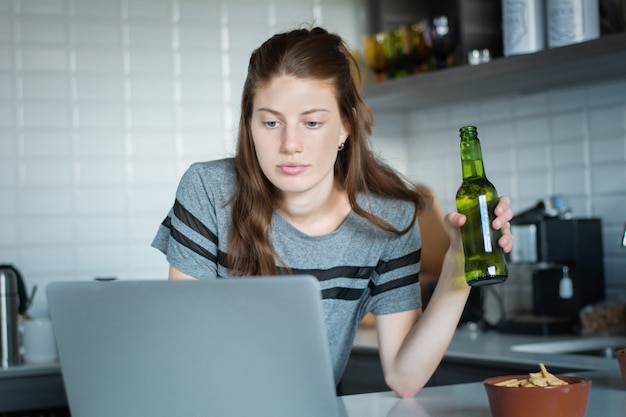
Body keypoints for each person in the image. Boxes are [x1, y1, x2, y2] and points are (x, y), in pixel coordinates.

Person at [152, 27, 513, 399]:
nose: (290, 144)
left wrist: (459, 265)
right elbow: (185, 346)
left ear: (346, 126)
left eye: (312, 123)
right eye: (272, 122)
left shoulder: (391, 219)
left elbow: (405, 379)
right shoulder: (209, 189)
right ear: (249, 124)